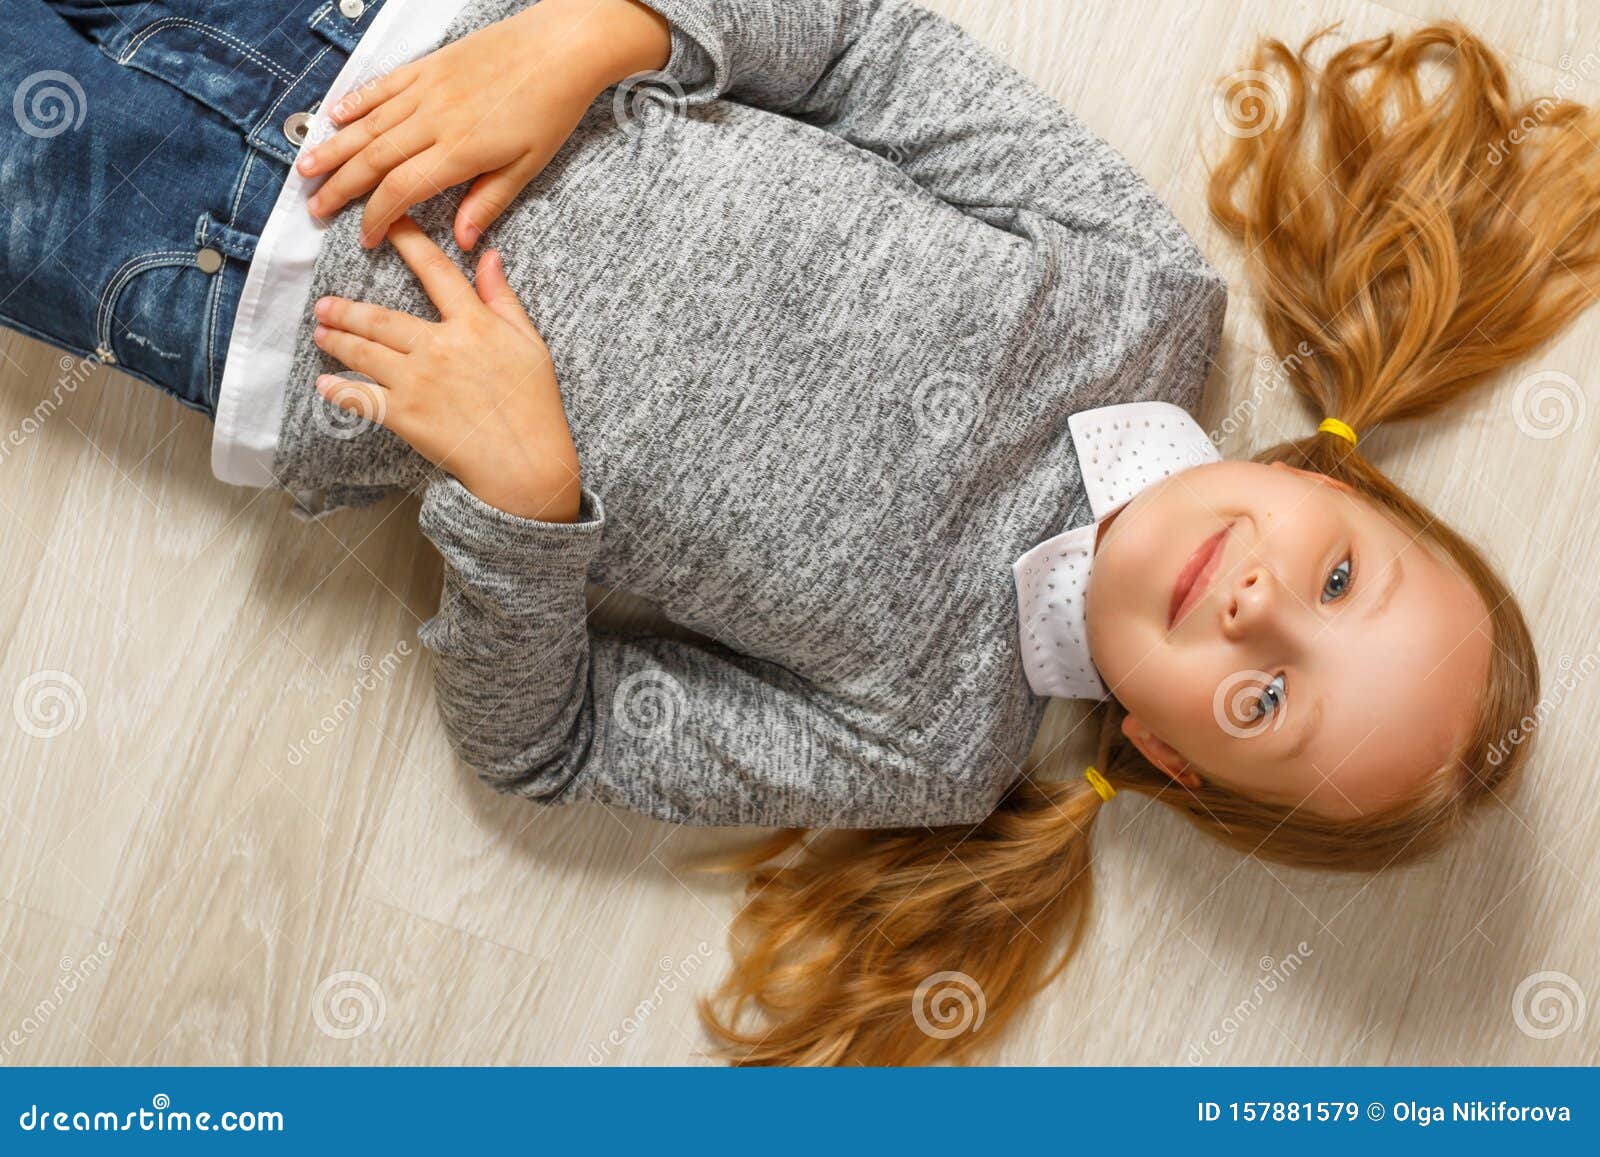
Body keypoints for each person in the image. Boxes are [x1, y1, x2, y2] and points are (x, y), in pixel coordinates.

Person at [2, 1, 1592, 1065]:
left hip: (226, 290)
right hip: (373, 30)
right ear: (1340, 487)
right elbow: (850, 46)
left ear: (1174, 758)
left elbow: (544, 747)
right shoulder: (1139, 294)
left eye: (1269, 697)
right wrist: (603, 33)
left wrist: (524, 495)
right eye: (1335, 575)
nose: (1255, 601)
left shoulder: (927, 741)